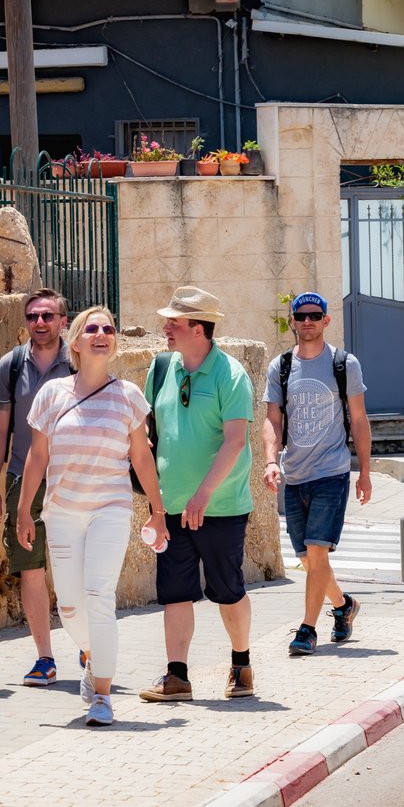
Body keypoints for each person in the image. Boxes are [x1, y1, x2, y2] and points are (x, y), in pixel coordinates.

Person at [16, 306, 167, 726]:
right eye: (92, 328)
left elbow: (141, 457)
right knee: (69, 607)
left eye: (109, 328)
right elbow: (37, 456)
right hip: (62, 512)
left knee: (100, 598)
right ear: (76, 341)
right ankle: (91, 654)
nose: (102, 333)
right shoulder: (52, 394)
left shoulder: (129, 396)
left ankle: (102, 694)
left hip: (110, 510)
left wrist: (157, 511)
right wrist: (24, 511)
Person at [138, 286, 257, 704]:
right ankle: (177, 677)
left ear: (199, 329)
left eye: (175, 322)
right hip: (170, 505)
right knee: (174, 592)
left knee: (228, 589)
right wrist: (155, 501)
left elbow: (236, 441)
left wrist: (203, 495)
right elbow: (149, 429)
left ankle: (241, 665)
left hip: (220, 507)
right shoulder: (161, 369)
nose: (166, 328)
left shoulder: (231, 375)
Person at [262, 291, 372, 655]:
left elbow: (359, 420)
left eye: (314, 315)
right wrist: (271, 460)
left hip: (332, 472)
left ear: (326, 320)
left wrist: (365, 472)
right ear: (292, 321)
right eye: (301, 316)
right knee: (310, 561)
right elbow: (272, 420)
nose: (307, 321)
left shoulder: (344, 364)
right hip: (295, 475)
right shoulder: (281, 367)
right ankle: (344, 606)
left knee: (316, 552)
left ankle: (307, 630)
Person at [0, 288, 74, 686]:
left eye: (48, 316)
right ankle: (45, 658)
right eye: (33, 316)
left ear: (63, 321)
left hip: (72, 479)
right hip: (24, 480)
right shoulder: (11, 365)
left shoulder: (78, 360)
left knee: (76, 568)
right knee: (31, 569)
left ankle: (88, 644)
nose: (40, 323)